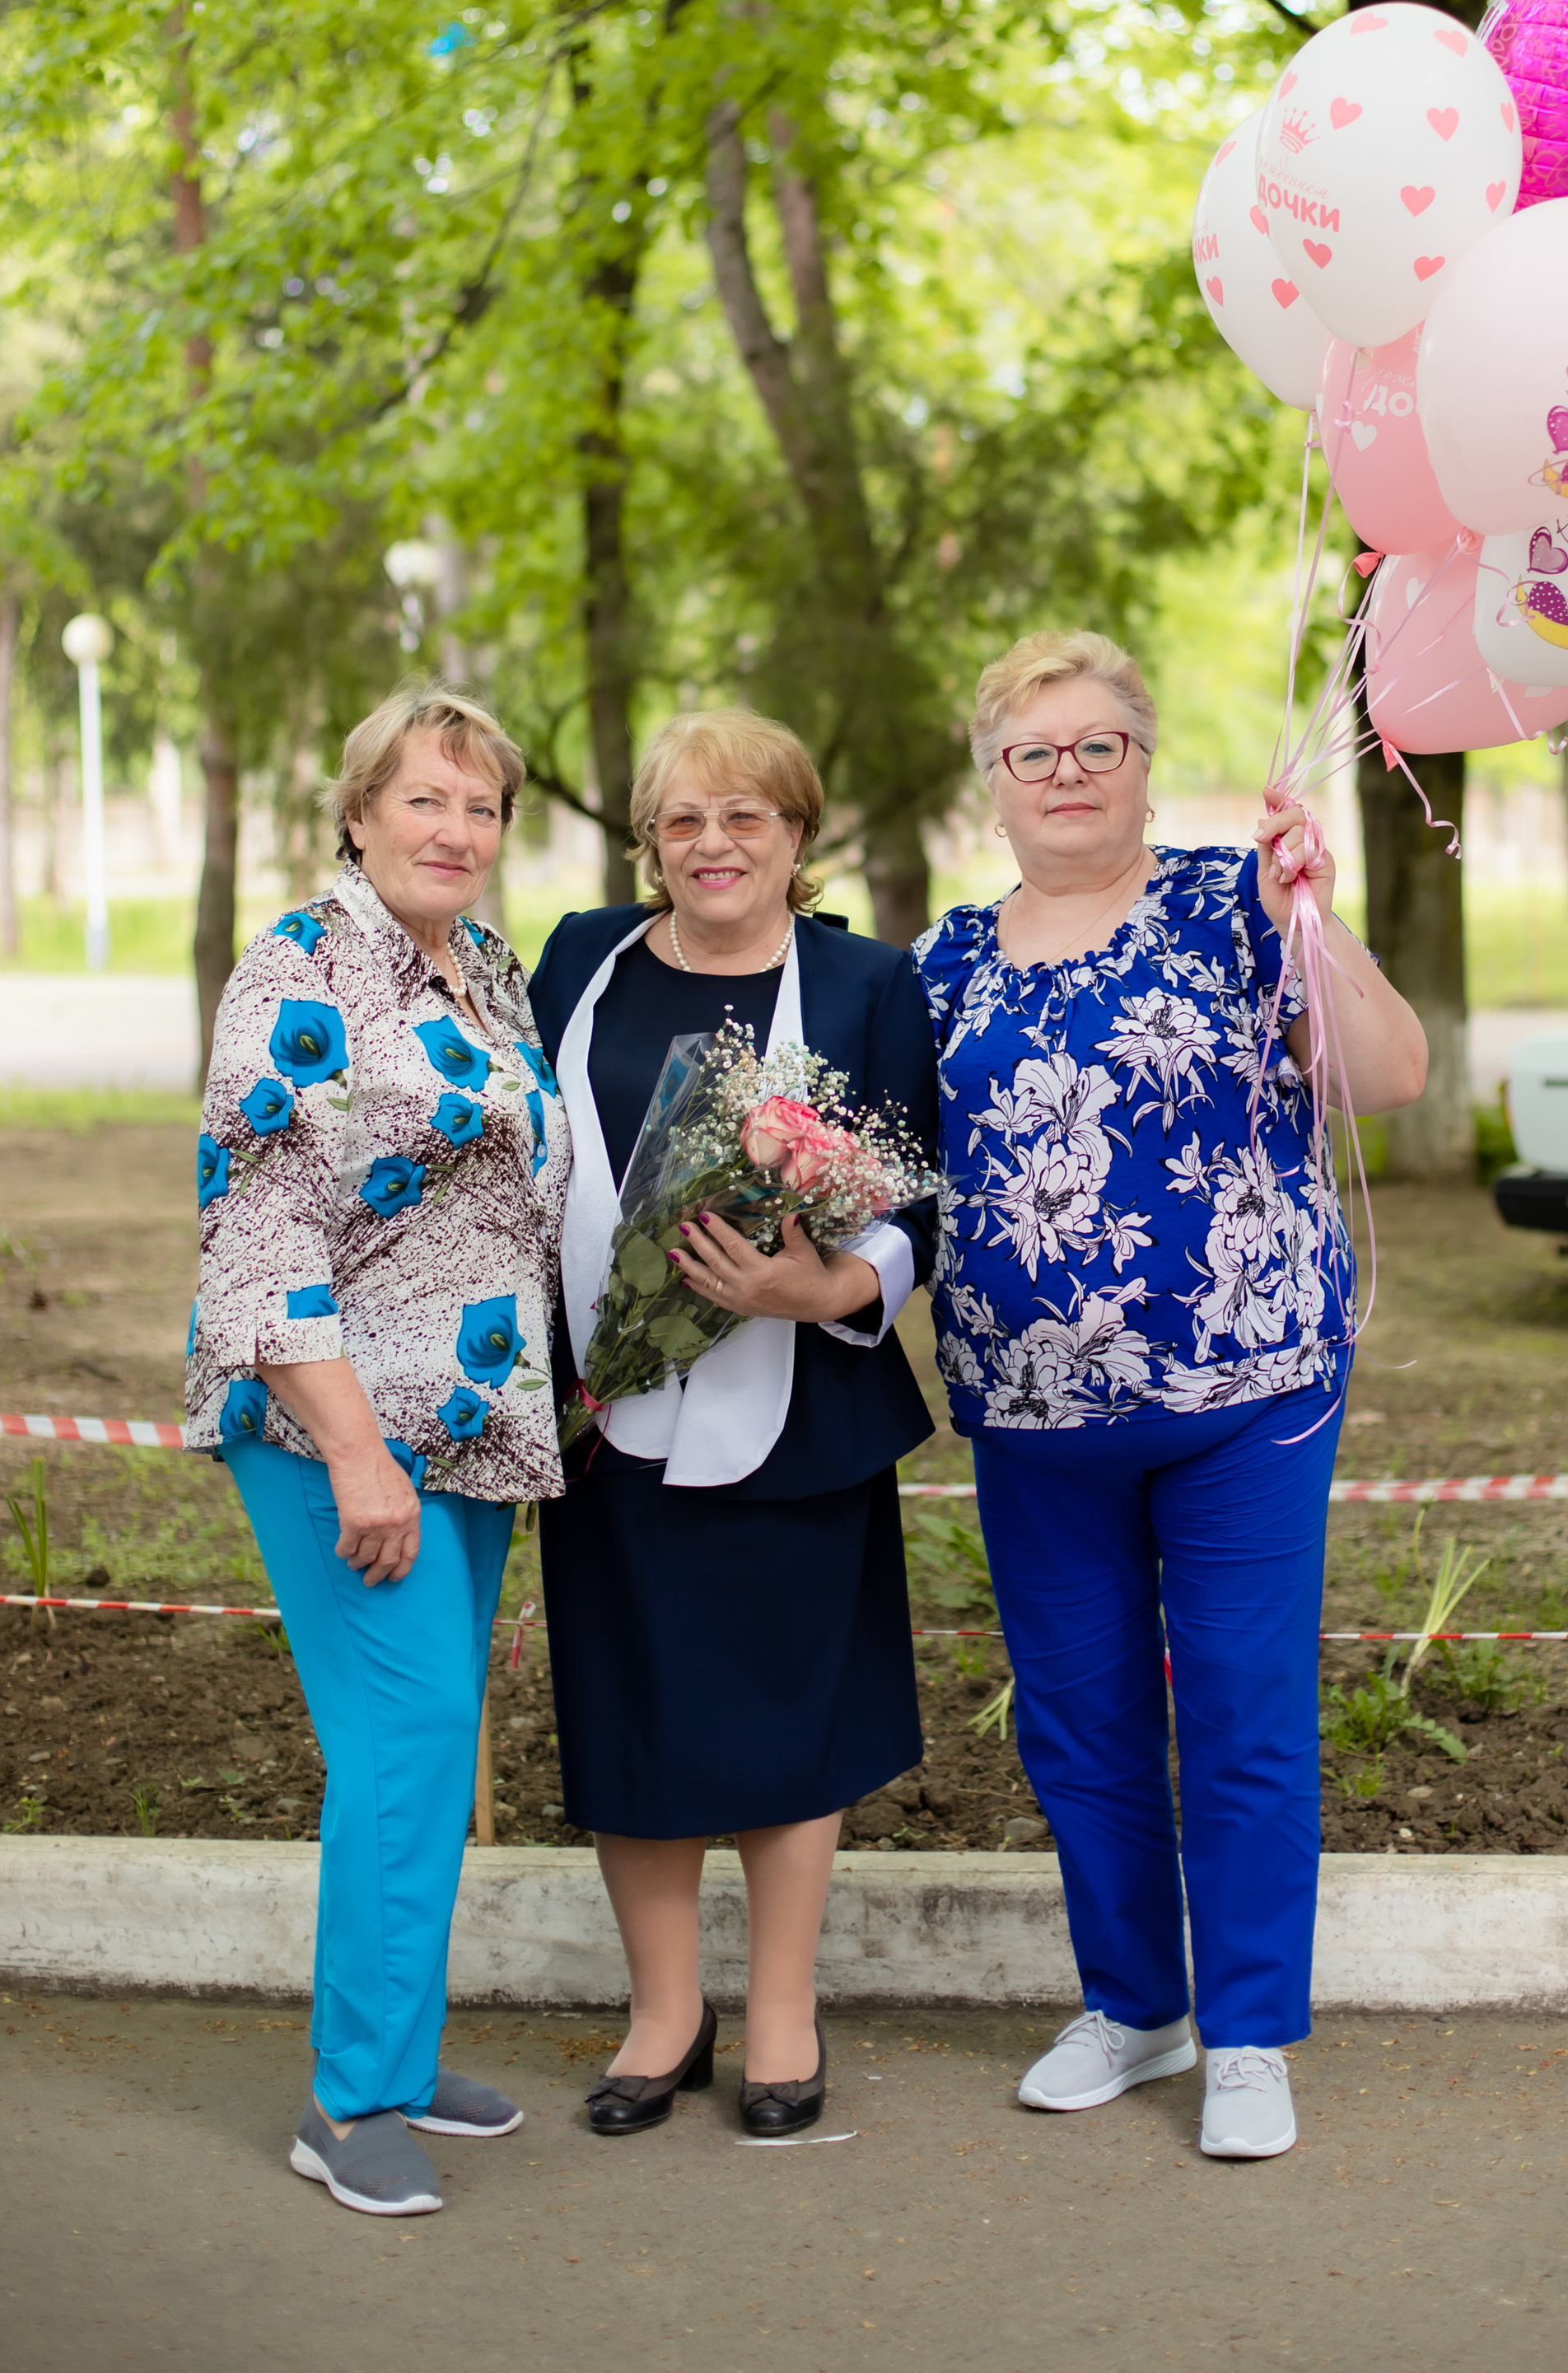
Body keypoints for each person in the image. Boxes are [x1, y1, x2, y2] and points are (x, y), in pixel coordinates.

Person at [912, 629, 1426, 2161]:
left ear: (1143, 763)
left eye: (1098, 747)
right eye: (1035, 752)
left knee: (1246, 1716)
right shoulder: (941, 963)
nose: (1068, 776)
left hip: (1250, 1395)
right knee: (1080, 1724)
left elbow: (1389, 1073)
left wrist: (1311, 918)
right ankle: (1135, 2007)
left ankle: (1251, 2032)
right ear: (993, 781)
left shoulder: (1231, 901)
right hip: (1032, 1418)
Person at [529, 708, 938, 2143]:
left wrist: (820, 1281)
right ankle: (662, 2013)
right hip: (603, 1413)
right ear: (650, 844)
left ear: (797, 836)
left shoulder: (871, 985)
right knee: (630, 1708)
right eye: (683, 821)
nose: (713, 844)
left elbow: (915, 1200)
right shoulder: (579, 959)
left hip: (797, 1414)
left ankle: (779, 2012)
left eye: (744, 816)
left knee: (787, 1715)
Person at [187, 686, 568, 2218]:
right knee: (403, 1755)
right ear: (357, 813)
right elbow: (258, 1228)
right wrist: (355, 1452)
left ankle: (398, 2060)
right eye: (425, 800)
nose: (455, 831)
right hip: (339, 1424)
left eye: (480, 808)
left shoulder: (481, 968)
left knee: (421, 1756)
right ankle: (349, 2106)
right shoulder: (300, 964)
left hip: (469, 1427)